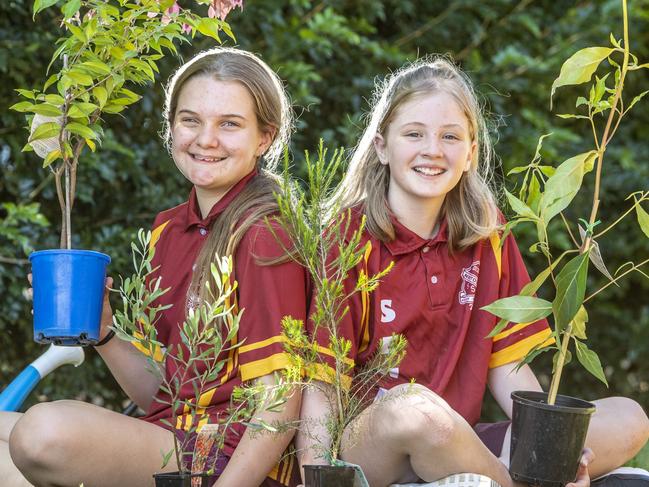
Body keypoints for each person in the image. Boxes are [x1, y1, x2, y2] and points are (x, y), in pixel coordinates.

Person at [296, 57, 649, 487]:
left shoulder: (488, 234)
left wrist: (550, 450)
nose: (433, 150)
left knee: (629, 418)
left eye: (450, 136)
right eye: (414, 134)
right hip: (374, 445)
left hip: (462, 444)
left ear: (471, 153)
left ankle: (508, 478)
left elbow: (510, 363)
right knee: (413, 410)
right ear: (382, 146)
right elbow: (320, 386)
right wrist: (318, 474)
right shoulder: (347, 237)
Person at [1, 47, 305, 487]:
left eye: (230, 124)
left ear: (265, 138)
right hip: (170, 439)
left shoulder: (263, 233)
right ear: (170, 127)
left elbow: (281, 399)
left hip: (227, 459)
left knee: (43, 432)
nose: (206, 139)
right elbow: (162, 395)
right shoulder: (168, 230)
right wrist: (104, 331)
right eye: (191, 120)